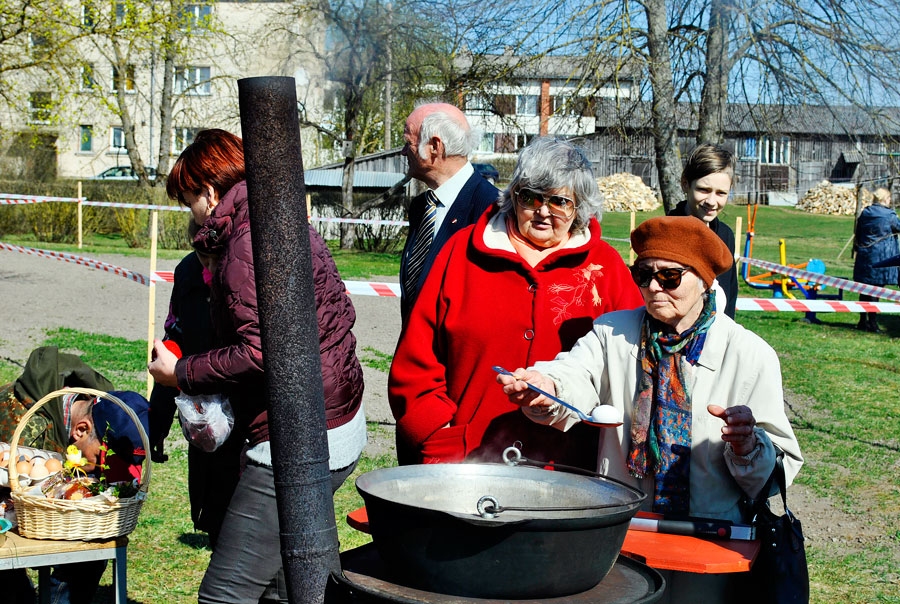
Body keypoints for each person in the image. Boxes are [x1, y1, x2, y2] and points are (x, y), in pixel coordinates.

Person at [497, 215, 803, 602]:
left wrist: (748, 447)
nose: (654, 287)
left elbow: (780, 466)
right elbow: (574, 374)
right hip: (626, 528)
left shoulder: (750, 354)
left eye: (670, 277)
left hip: (711, 538)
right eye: (643, 274)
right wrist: (547, 388)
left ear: (704, 280)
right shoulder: (612, 332)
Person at [147, 128, 365, 604]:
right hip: (330, 419)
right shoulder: (277, 219)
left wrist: (178, 374)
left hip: (298, 436)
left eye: (190, 201)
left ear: (209, 190)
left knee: (225, 595)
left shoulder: (247, 242)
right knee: (289, 584)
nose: (193, 213)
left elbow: (261, 351)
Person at [389, 136, 643, 468]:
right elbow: (417, 361)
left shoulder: (606, 268)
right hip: (468, 460)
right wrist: (436, 433)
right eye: (530, 198)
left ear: (580, 206)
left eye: (559, 202)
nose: (542, 211)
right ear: (513, 197)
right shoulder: (460, 252)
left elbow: (631, 364)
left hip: (570, 466)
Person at [0, 346, 150, 604]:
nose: (101, 471)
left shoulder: (107, 407)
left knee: (94, 547)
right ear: (81, 430)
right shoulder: (26, 427)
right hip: (11, 502)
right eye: (101, 461)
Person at [147, 220, 243, 550]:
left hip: (248, 417)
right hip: (203, 414)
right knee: (215, 513)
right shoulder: (187, 273)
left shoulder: (247, 270)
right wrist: (157, 420)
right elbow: (174, 339)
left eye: (215, 256)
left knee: (245, 518)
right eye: (201, 255)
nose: (209, 266)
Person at [399, 101, 499, 323]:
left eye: (408, 143)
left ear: (435, 146)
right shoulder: (420, 208)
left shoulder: (492, 210)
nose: (403, 151)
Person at [668, 143, 739, 318]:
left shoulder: (725, 236)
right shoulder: (666, 233)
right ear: (686, 184)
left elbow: (729, 295)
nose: (711, 201)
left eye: (721, 193)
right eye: (703, 190)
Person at [853, 187, 900, 333]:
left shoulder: (865, 213)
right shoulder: (889, 215)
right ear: (885, 199)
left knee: (864, 289)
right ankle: (873, 323)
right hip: (882, 256)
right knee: (877, 290)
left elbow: (858, 232)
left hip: (865, 256)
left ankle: (862, 320)